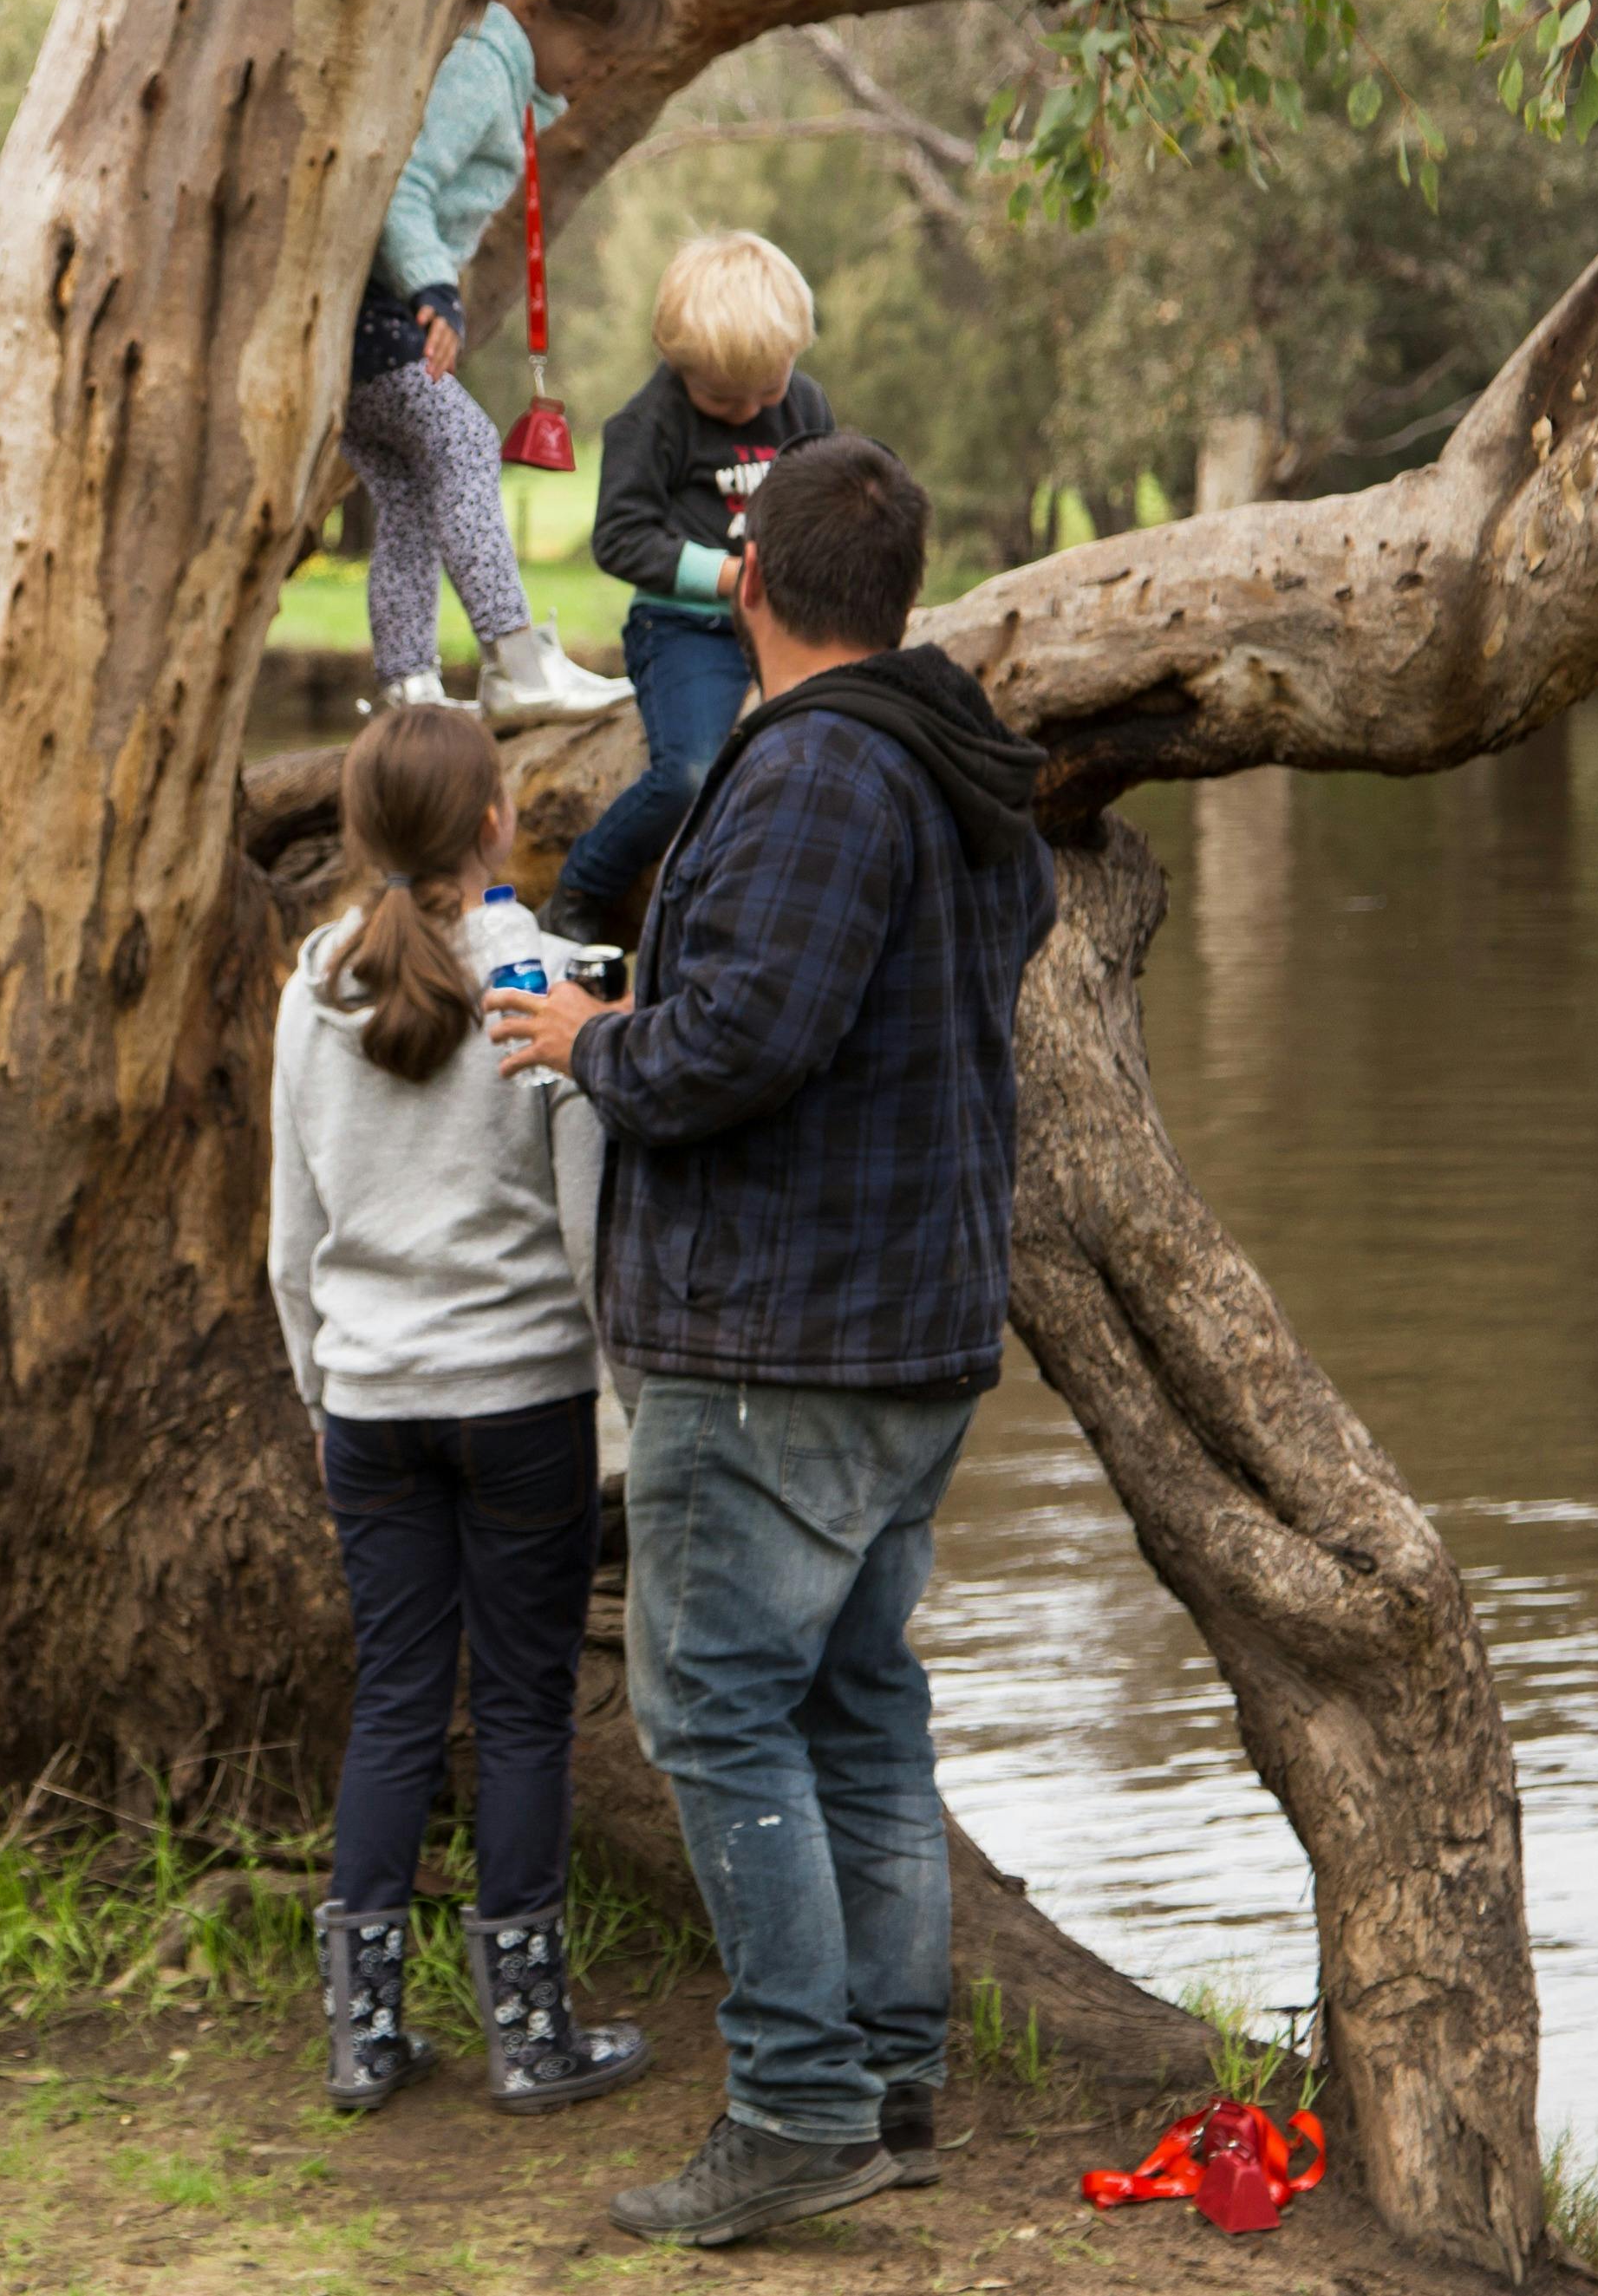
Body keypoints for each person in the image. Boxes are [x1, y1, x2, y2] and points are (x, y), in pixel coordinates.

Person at [485, 437, 1055, 2247]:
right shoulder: (950, 755)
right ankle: (885, 2080)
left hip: (783, 1333)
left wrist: (588, 1041)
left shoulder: (819, 766)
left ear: (743, 583)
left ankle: (801, 2102)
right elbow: (841, 993)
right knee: (855, 1701)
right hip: (906, 1318)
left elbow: (743, 1050)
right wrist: (654, 1000)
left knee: (718, 1707)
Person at [267, 706, 649, 2119]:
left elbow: (288, 1232)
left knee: (398, 1699)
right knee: (527, 1706)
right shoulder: (548, 982)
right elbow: (584, 1224)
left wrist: (322, 1388)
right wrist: (618, 1410)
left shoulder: (312, 984)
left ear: (363, 836)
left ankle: (366, 2034)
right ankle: (530, 2032)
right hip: (520, 1402)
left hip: (369, 1403)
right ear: (496, 821)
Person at [344, 0, 668, 724]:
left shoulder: (505, 78)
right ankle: (514, 659)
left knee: (411, 499)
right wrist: (433, 289)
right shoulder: (480, 77)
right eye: (590, 53)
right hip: (377, 315)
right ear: (530, 11)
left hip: (373, 317)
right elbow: (405, 194)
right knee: (464, 443)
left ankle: (408, 687)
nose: (592, 74)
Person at [545, 232, 836, 946]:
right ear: (678, 365)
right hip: (686, 629)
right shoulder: (650, 423)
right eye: (719, 397)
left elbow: (831, 499)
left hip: (786, 625)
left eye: (763, 391)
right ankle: (583, 884)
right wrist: (730, 576)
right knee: (691, 773)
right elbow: (619, 537)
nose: (746, 410)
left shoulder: (802, 406)